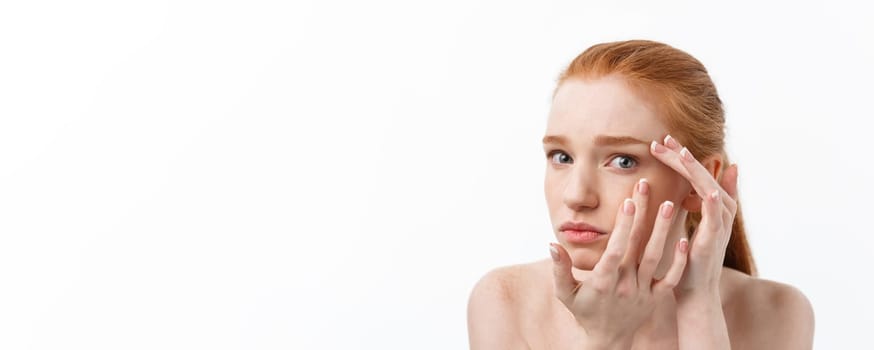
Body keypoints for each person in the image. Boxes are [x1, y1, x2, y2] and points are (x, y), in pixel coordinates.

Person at [466, 40, 814, 349]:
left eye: (623, 160)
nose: (576, 196)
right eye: (562, 157)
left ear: (699, 181)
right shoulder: (505, 303)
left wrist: (697, 304)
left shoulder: (778, 314)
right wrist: (605, 340)